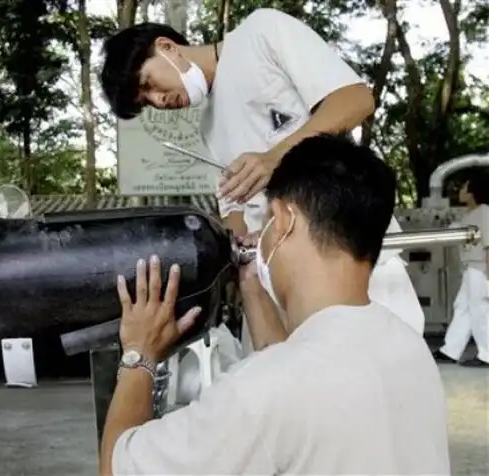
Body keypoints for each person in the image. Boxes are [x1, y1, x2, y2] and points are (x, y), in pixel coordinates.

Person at [99, 135, 450, 475]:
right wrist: (251, 285)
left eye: (267, 219)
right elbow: (296, 377)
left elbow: (117, 467)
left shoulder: (260, 391)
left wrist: (139, 354)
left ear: (283, 221)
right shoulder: (408, 347)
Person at [99, 7, 425, 339]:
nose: (159, 99)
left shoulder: (261, 33)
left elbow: (355, 99)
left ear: (166, 47)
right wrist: (236, 241)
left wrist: (275, 158)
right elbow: (234, 210)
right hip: (280, 287)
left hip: (349, 255)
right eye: (147, 101)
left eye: (149, 83)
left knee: (382, 362)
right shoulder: (207, 127)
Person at [433, 172, 489, 368]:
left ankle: (487, 354)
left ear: (473, 192)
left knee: (479, 310)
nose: (461, 190)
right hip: (471, 268)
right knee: (463, 307)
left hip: (481, 268)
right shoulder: (472, 214)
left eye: (465, 187)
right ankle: (450, 350)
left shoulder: (484, 212)